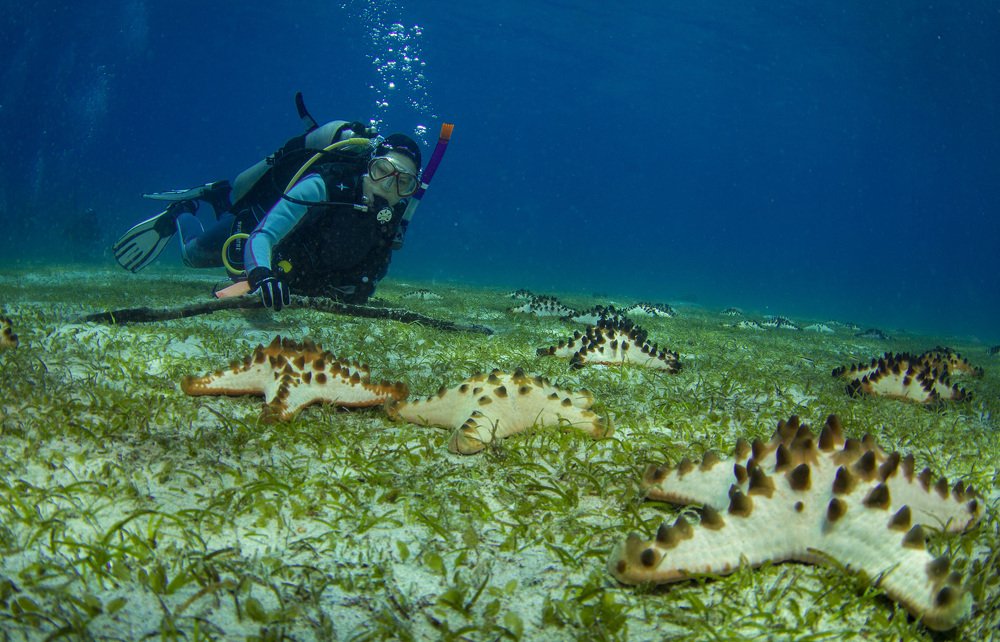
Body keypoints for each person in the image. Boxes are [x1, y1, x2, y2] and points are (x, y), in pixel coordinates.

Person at [113, 110, 424, 310]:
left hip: (292, 272)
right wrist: (262, 274)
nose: (387, 186)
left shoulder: (390, 222)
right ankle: (184, 210)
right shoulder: (324, 185)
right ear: (368, 165)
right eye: (382, 170)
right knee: (191, 256)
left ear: (410, 190)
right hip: (252, 229)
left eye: (403, 182)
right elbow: (263, 235)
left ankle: (217, 195)